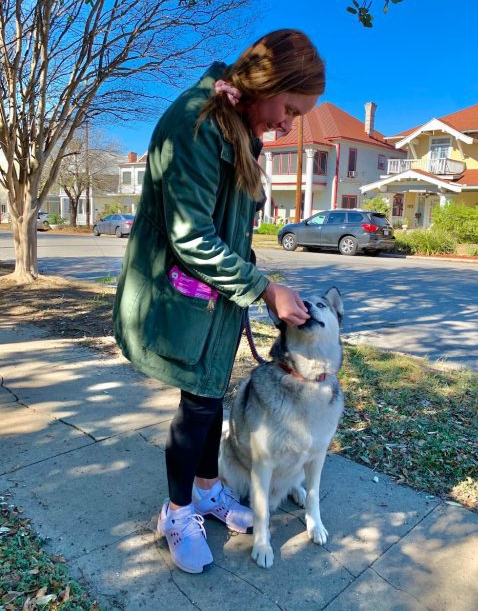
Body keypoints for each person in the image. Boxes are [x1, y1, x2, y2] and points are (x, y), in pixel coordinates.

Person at [113, 29, 325, 574]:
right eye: (291, 108)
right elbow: (192, 238)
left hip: (216, 300)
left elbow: (231, 231)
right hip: (184, 297)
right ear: (268, 83)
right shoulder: (198, 122)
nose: (288, 123)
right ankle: (177, 510)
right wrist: (263, 288)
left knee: (208, 395)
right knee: (199, 406)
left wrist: (257, 279)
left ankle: (207, 491)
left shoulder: (238, 126)